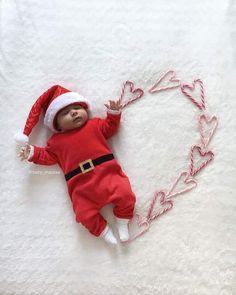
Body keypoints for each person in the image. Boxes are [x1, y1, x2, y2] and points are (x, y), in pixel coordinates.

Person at [16, 85, 136, 245]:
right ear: (56, 125)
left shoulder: (95, 125)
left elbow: (110, 128)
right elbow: (48, 156)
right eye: (65, 113)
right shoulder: (56, 142)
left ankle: (122, 222)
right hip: (81, 187)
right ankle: (104, 231)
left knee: (125, 195)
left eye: (77, 108)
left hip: (108, 175)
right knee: (83, 214)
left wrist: (114, 115)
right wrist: (31, 152)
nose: (73, 112)